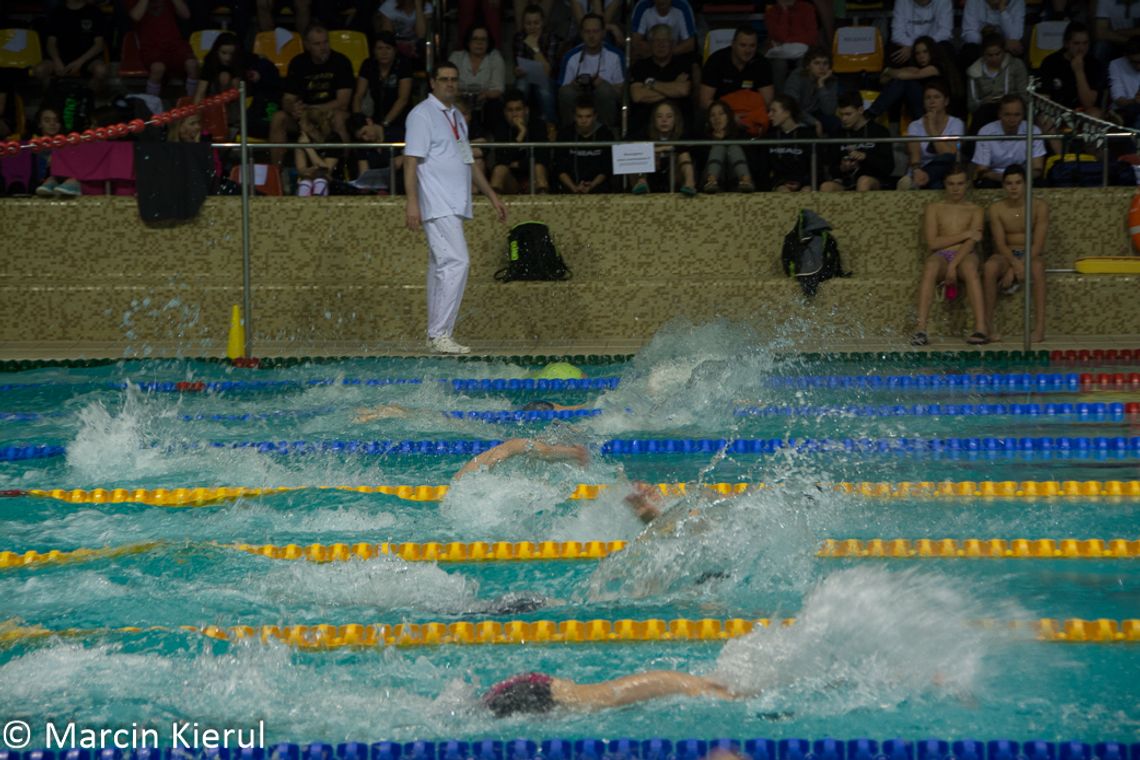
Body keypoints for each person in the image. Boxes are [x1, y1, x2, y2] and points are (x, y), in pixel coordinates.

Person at [403, 63, 508, 355]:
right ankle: (440, 334)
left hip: (453, 202)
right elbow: (411, 161)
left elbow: (468, 161)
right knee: (457, 262)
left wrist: (492, 195)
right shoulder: (422, 115)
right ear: (433, 84)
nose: (450, 84)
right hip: (436, 202)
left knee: (441, 267)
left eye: (454, 80)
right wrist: (412, 202)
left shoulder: (456, 117)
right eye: (444, 80)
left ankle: (435, 335)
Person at [452, 437, 665, 522]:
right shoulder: (511, 448)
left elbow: (539, 451)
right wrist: (573, 453)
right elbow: (539, 450)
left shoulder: (465, 480)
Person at [911, 163, 987, 346]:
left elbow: (972, 242)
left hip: (965, 255)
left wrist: (953, 265)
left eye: (960, 183)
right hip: (941, 255)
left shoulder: (976, 210)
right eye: (951, 184)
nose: (955, 189)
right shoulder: (934, 208)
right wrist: (965, 234)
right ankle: (920, 330)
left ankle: (981, 328)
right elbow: (933, 242)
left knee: (969, 268)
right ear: (944, 184)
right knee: (930, 266)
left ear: (967, 184)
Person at [269, 25, 354, 167]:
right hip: (304, 117)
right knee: (279, 118)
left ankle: (344, 169)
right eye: (317, 44)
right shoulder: (298, 63)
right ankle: (276, 173)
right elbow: (288, 98)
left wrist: (311, 108)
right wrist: (293, 108)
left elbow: (343, 102)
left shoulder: (341, 61)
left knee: (339, 118)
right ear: (307, 45)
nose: (323, 47)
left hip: (330, 114)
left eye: (325, 42)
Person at [483, 670, 737, 717]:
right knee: (605, 697)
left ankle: (702, 686)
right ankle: (702, 686)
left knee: (605, 697)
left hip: (520, 692)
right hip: (522, 692)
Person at [984, 165, 1049, 342]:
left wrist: (1016, 267)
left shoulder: (1039, 207)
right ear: (1003, 186)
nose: (1013, 187)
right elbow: (999, 243)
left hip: (1030, 253)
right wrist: (1014, 263)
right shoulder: (996, 209)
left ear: (1026, 184)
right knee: (990, 267)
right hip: (1006, 254)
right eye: (1009, 183)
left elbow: (1038, 244)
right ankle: (987, 325)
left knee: (1037, 267)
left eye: (1018, 183)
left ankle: (1039, 328)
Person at [558, 14, 625, 130]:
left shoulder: (615, 56)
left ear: (603, 33)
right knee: (566, 92)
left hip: (604, 101)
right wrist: (574, 84)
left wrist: (602, 84)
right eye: (587, 32)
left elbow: (621, 93)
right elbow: (561, 91)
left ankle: (607, 134)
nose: (591, 36)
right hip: (579, 100)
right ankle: (569, 134)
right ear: (581, 33)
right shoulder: (571, 57)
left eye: (595, 31)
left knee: (604, 90)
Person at [866, 36, 954, 125]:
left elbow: (906, 75)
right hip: (919, 108)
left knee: (905, 81)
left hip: (938, 110)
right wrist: (892, 74)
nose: (921, 56)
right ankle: (874, 115)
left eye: (925, 52)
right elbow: (883, 80)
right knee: (900, 82)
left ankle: (871, 113)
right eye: (917, 53)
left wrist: (888, 70)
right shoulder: (914, 68)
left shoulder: (937, 67)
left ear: (932, 52)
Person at [895, 79, 964, 191]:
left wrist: (931, 127)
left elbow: (949, 154)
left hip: (947, 173)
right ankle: (920, 179)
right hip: (918, 171)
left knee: (948, 160)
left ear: (946, 101)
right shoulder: (915, 125)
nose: (932, 101)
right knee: (935, 185)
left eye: (937, 97)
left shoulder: (956, 123)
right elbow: (915, 155)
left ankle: (922, 179)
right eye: (928, 98)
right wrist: (917, 170)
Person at [629, 24, 695, 138]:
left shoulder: (683, 64)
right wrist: (673, 89)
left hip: (680, 124)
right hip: (644, 123)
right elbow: (637, 95)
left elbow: (684, 90)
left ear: (672, 43)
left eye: (665, 41)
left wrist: (651, 84)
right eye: (656, 41)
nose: (661, 45)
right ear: (650, 44)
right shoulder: (640, 66)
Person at [125, 0, 200, 99]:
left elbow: (186, 15)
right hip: (151, 46)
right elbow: (136, 16)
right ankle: (151, 105)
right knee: (158, 68)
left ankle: (192, 103)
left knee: (192, 65)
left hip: (174, 43)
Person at [820, 91, 892, 192]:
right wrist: (842, 168)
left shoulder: (879, 131)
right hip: (846, 182)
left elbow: (888, 167)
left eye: (848, 114)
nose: (844, 119)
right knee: (826, 186)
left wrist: (865, 157)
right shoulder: (838, 134)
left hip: (875, 181)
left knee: (863, 181)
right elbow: (831, 168)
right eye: (841, 114)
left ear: (860, 110)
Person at [970, 95, 1045, 187]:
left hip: (1024, 177)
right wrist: (1008, 180)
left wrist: (1018, 180)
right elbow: (982, 170)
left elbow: (1037, 169)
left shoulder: (1033, 131)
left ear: (1023, 115)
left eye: (1017, 115)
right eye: (1007, 114)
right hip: (996, 177)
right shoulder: (985, 132)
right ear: (999, 114)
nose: (1012, 120)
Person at [39, 0, 109, 97]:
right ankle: (50, 96)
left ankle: (90, 98)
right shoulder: (57, 12)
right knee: (40, 70)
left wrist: (79, 62)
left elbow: (99, 45)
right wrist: (56, 60)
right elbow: (50, 43)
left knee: (101, 70)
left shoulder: (95, 12)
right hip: (61, 57)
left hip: (86, 59)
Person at [353, 31, 413, 143]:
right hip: (374, 117)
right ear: (374, 51)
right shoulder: (368, 64)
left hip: (400, 118)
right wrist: (359, 121)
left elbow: (403, 99)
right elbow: (358, 95)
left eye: (388, 48)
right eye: (379, 48)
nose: (384, 52)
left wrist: (384, 124)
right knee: (361, 134)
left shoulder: (404, 64)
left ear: (395, 50)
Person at [489, 89, 550, 194]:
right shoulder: (501, 127)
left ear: (526, 110)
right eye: (510, 110)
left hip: (533, 177)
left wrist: (517, 164)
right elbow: (501, 160)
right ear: (504, 112)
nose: (514, 114)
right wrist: (521, 135)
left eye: (518, 109)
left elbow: (542, 157)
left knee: (539, 168)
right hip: (511, 180)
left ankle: (543, 206)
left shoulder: (538, 125)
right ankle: (493, 208)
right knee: (499, 170)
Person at [512, 4, 561, 134]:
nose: (532, 27)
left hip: (548, 80)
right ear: (523, 24)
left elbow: (547, 71)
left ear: (542, 23)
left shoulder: (551, 38)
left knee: (543, 89)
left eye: (536, 23)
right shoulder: (519, 37)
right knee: (521, 85)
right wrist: (517, 70)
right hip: (526, 77)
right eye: (528, 23)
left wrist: (535, 47)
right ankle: (518, 125)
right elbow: (518, 67)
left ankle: (550, 127)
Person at [699, 27, 774, 111]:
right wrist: (729, 116)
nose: (748, 50)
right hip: (722, 114)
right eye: (743, 45)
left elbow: (768, 102)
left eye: (752, 46)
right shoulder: (716, 61)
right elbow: (705, 102)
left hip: (751, 114)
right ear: (733, 44)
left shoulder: (762, 63)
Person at [1038, 22, 1105, 118]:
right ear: (1066, 43)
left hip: (1083, 112)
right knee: (1043, 117)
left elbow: (1089, 103)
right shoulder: (1051, 62)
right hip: (1056, 111)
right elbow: (1044, 98)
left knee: (1095, 113)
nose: (1081, 48)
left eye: (1085, 43)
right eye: (1076, 43)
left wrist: (1079, 71)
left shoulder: (1094, 64)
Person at [450, 25, 508, 134]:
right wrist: (463, 98)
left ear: (488, 42)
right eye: (475, 39)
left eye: (483, 40)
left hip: (486, 101)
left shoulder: (495, 58)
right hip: (459, 100)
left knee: (494, 107)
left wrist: (484, 95)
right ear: (468, 41)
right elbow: (449, 85)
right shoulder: (456, 57)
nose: (479, 43)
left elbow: (498, 89)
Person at [631, 101, 696, 196]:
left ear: (675, 119)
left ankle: (690, 184)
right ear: (654, 120)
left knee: (684, 155)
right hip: (652, 176)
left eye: (669, 116)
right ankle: (641, 183)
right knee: (643, 153)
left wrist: (662, 149)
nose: (664, 120)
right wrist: (656, 150)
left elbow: (684, 147)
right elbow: (629, 145)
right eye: (659, 116)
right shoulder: (645, 133)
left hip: (674, 175)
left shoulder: (682, 134)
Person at [965, 33, 1028, 129]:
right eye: (990, 55)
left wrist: (1007, 100)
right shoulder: (974, 71)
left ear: (1004, 51)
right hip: (986, 111)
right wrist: (983, 101)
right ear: (983, 54)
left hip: (1013, 109)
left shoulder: (1016, 65)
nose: (994, 58)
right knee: (982, 114)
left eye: (998, 54)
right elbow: (971, 105)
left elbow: (1024, 95)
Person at [553, 97, 613, 193]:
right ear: (574, 117)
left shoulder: (605, 134)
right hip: (568, 188)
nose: (583, 120)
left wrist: (592, 185)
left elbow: (607, 168)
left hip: (599, 188)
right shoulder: (565, 134)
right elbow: (560, 168)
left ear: (595, 116)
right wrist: (574, 188)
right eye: (580, 116)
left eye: (588, 116)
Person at [762, 95, 814, 192]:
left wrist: (802, 183)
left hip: (804, 182)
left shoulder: (808, 135)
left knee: (806, 191)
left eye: (774, 111)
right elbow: (764, 170)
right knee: (783, 191)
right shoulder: (769, 137)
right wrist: (779, 183)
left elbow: (815, 166)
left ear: (787, 113)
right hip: (779, 183)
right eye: (769, 111)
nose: (769, 115)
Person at [780, 46, 838, 134]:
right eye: (817, 63)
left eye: (825, 63)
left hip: (815, 113)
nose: (822, 67)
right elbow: (792, 106)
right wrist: (814, 122)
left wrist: (821, 85)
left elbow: (829, 111)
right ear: (808, 66)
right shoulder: (797, 77)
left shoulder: (831, 80)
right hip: (795, 113)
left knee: (835, 123)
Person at [700, 99, 755, 193]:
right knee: (718, 146)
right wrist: (716, 140)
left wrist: (725, 139)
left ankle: (746, 180)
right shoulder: (704, 139)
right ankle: (712, 181)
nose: (717, 118)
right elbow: (701, 164)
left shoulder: (741, 135)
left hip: (737, 182)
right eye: (712, 115)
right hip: (710, 185)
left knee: (734, 147)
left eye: (721, 114)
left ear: (728, 117)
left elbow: (751, 160)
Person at [763, 0, 820, 90]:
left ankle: (802, 100)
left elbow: (812, 37)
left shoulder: (807, 8)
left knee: (803, 63)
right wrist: (784, 12)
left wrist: (787, 41)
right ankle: (781, 101)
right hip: (780, 53)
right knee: (779, 65)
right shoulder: (771, 12)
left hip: (803, 51)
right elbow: (781, 36)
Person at [31, 106, 81, 198]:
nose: (52, 124)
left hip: (63, 184)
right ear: (39, 124)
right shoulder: (32, 145)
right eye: (47, 120)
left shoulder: (69, 144)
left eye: (56, 120)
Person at [960, 0, 1025, 62]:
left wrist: (1002, 9)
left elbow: (1015, 37)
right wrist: (998, 42)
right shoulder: (973, 1)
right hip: (981, 46)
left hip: (1006, 48)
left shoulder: (1017, 2)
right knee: (969, 50)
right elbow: (969, 34)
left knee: (1016, 49)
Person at [630, 0, 697, 60]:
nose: (661, 1)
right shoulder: (642, 6)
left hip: (676, 56)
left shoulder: (682, 6)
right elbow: (635, 42)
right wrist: (659, 53)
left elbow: (690, 44)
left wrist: (665, 53)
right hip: (649, 58)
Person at [295, 108, 340, 196]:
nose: (299, 123)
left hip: (333, 182)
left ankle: (320, 206)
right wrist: (313, 170)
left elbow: (327, 170)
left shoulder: (333, 139)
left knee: (320, 180)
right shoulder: (301, 139)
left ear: (311, 126)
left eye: (302, 121)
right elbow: (301, 169)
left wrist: (308, 147)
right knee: (305, 183)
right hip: (309, 177)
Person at [1107, 39, 1140, 129]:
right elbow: (1118, 98)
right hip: (1125, 109)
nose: (1138, 66)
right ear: (1126, 56)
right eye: (1134, 62)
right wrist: (1134, 101)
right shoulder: (1116, 65)